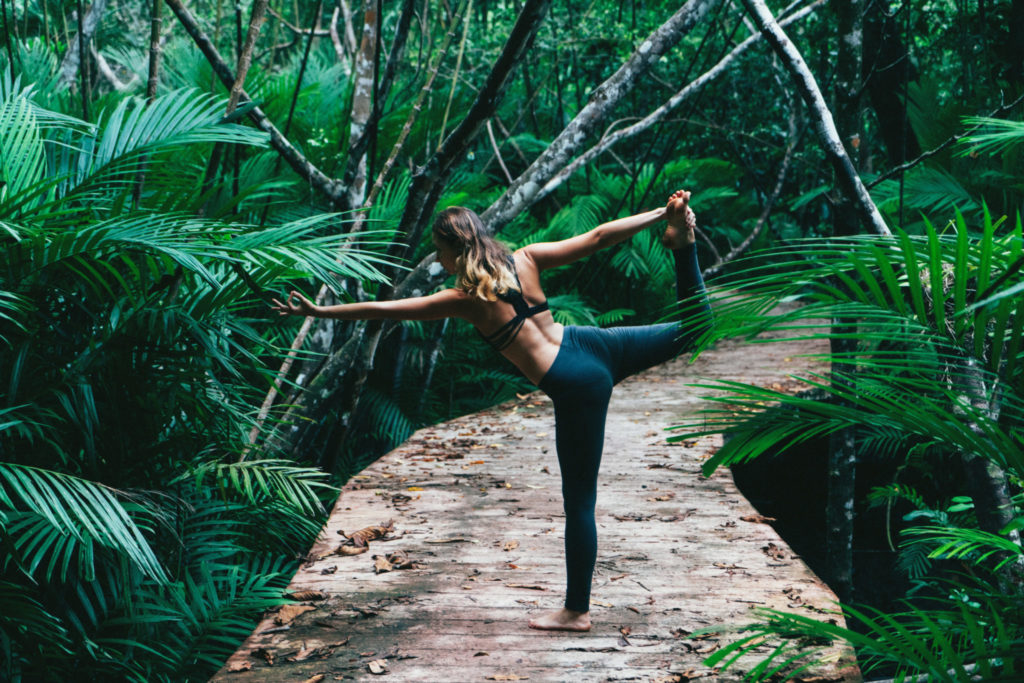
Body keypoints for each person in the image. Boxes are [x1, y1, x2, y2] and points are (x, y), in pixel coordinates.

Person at [272, 190, 712, 632]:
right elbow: (597, 237)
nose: (438, 260)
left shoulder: (464, 300)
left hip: (576, 383)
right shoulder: (527, 258)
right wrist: (660, 213)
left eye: (440, 251)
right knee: (697, 327)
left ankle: (576, 611)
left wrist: (319, 309)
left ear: (456, 248)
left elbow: (387, 310)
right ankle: (683, 243)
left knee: (580, 502)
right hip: (592, 345)